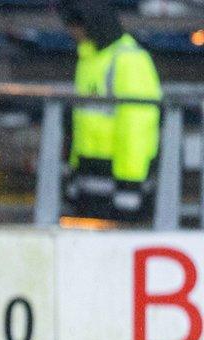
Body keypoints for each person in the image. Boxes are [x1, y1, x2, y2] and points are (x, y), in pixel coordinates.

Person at [59, 0, 162, 222]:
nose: (72, 33)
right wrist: (73, 173)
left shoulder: (129, 59)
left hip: (120, 179)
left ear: (90, 23)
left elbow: (137, 127)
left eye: (75, 26)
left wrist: (130, 185)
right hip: (90, 174)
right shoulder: (89, 59)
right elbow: (82, 122)